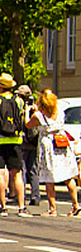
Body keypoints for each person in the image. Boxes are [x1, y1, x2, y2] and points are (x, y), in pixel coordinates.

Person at [36, 91, 75, 217]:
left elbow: (28, 124)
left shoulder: (39, 115)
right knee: (68, 176)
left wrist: (28, 112)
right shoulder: (60, 112)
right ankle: (76, 204)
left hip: (48, 145)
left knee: (49, 178)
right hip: (61, 142)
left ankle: (53, 208)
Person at [0, 73, 28, 215]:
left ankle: (3, 206)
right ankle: (21, 207)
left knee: (1, 173)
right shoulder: (19, 101)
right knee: (17, 173)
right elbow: (23, 119)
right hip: (16, 139)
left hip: (0, 139)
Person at [19, 85, 43, 208]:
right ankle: (35, 196)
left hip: (23, 141)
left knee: (22, 169)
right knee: (33, 169)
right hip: (34, 141)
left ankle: (21, 195)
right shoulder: (37, 110)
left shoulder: (20, 107)